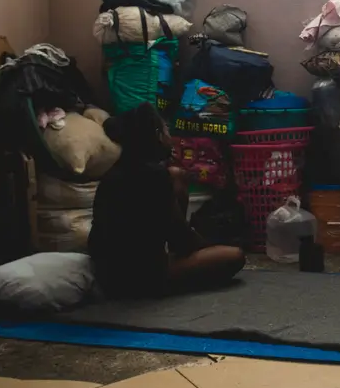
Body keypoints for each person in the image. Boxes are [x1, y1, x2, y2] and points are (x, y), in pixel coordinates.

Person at [88, 103, 245, 298]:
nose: (169, 134)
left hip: (107, 271)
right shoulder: (152, 177)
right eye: (166, 128)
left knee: (176, 175)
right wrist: (208, 245)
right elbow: (182, 240)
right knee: (234, 256)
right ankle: (164, 280)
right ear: (157, 135)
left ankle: (170, 264)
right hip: (131, 279)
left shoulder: (118, 170)